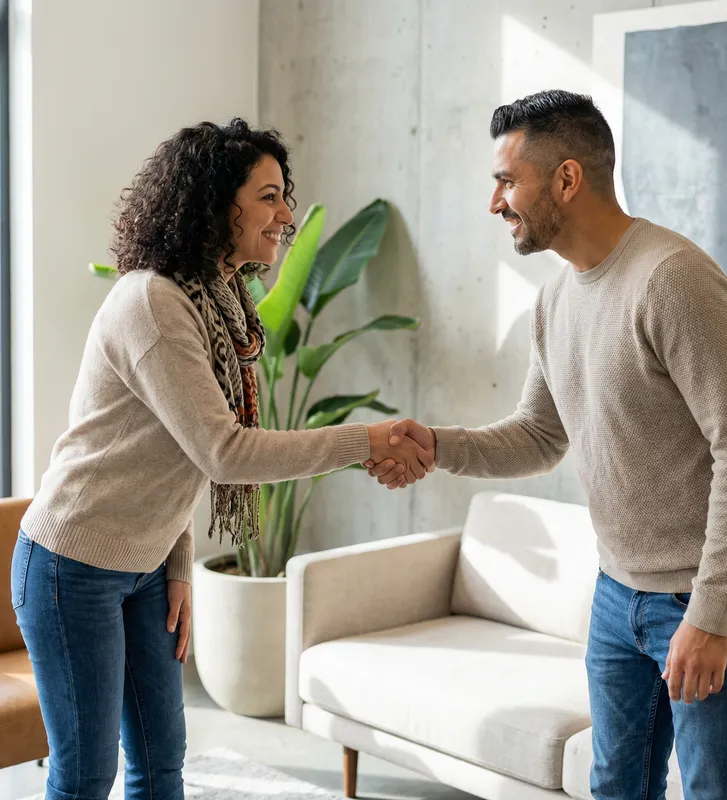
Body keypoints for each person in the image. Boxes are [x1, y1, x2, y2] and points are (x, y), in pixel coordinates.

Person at [365, 90, 727, 799]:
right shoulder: (556, 300)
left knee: (720, 791)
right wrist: (437, 445)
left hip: (713, 602)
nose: (496, 202)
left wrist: (712, 614)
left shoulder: (672, 280)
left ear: (566, 179)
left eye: (506, 180)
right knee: (616, 787)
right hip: (618, 597)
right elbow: (538, 435)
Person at [10, 119, 432, 800]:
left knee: (159, 762)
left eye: (283, 197)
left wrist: (176, 567)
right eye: (268, 197)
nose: (287, 216)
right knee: (87, 774)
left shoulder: (223, 302)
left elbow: (177, 457)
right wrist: (365, 442)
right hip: (73, 567)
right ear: (214, 202)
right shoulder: (152, 302)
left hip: (144, 567)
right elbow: (222, 451)